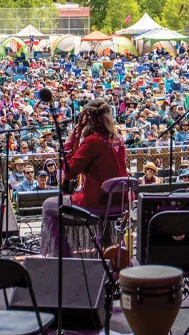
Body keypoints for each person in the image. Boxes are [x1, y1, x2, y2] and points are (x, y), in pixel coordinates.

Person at [40, 97, 129, 257]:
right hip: (121, 201)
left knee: (48, 206)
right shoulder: (118, 140)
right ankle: (109, 253)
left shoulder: (92, 142)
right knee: (101, 206)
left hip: (98, 202)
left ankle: (63, 256)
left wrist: (75, 133)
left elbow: (70, 172)